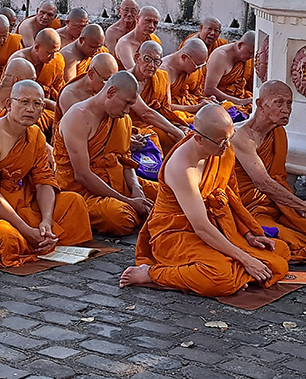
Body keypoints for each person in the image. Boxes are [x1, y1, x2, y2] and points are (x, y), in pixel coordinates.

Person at [120, 103, 291, 296]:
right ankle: (151, 274)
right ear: (199, 139)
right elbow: (201, 227)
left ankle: (235, 273)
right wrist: (246, 259)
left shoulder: (221, 149)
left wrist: (247, 234)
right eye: (222, 142)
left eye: (230, 138)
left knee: (280, 253)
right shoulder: (182, 168)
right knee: (221, 276)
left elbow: (229, 196)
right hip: (177, 234)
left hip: (217, 225)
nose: (228, 146)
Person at [0, 80, 92, 268]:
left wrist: (46, 221)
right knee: (7, 238)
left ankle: (43, 237)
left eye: (37, 104)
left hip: (20, 206)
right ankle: (37, 241)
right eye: (24, 102)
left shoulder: (35, 135)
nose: (30, 109)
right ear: (9, 104)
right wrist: (26, 230)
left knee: (75, 203)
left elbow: (44, 181)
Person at [232, 81, 306, 262]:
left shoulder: (278, 132)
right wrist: (305, 207)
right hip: (252, 209)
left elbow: (278, 178)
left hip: (278, 205)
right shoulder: (242, 138)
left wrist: (298, 207)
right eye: (279, 102)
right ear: (260, 104)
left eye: (289, 103)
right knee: (292, 244)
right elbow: (263, 183)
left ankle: (294, 226)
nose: (286, 110)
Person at [55, 71, 157, 236]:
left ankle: (145, 211)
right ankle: (144, 213)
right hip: (83, 191)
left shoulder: (122, 119)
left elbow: (125, 160)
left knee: (167, 194)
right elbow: (82, 175)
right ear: (111, 92)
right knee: (121, 218)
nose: (127, 111)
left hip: (118, 181)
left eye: (131, 105)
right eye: (126, 103)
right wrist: (129, 201)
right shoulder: (78, 117)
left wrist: (136, 188)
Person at [127, 40, 187, 154]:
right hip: (131, 125)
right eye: (147, 59)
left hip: (152, 121)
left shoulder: (161, 77)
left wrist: (177, 126)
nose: (151, 65)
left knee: (186, 131)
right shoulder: (127, 80)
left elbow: (165, 109)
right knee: (159, 137)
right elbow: (145, 113)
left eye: (156, 61)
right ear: (137, 58)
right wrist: (177, 132)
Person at [9, 28, 65, 128]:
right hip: (23, 106)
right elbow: (17, 95)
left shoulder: (57, 60)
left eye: (56, 52)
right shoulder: (19, 61)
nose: (53, 57)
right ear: (37, 48)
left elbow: (59, 88)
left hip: (43, 105)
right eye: (49, 53)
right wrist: (54, 106)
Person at [55, 52, 119, 126]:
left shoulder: (107, 87)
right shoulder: (70, 95)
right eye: (106, 81)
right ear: (91, 74)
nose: (109, 86)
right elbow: (77, 127)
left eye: (113, 80)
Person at [204, 31, 257, 108]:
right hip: (216, 100)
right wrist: (239, 101)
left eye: (253, 54)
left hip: (238, 97)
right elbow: (209, 90)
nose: (251, 56)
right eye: (250, 52)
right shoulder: (220, 57)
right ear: (240, 45)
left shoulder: (246, 58)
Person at [164, 38, 212, 117]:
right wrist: (196, 108)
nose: (199, 69)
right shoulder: (164, 71)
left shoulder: (187, 67)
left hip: (187, 103)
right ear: (184, 58)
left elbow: (196, 92)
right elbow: (165, 106)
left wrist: (204, 100)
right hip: (175, 112)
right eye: (197, 65)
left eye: (202, 65)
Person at [114, 6, 161, 71]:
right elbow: (133, 72)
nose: (151, 26)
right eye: (148, 21)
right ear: (137, 19)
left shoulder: (154, 40)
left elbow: (157, 65)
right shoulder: (125, 44)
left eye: (155, 23)